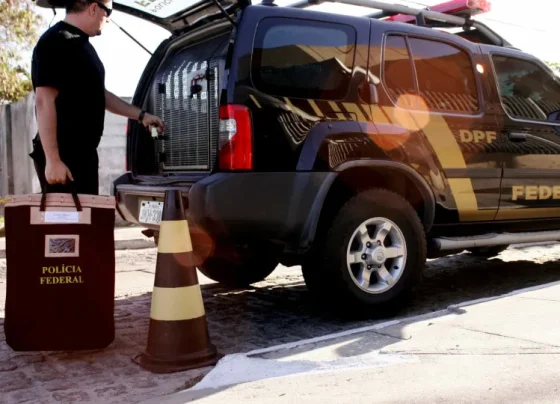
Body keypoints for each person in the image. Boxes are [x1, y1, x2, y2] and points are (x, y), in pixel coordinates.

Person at [29, 0, 166, 195]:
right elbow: (43, 101)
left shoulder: (81, 44)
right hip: (64, 157)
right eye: (108, 11)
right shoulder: (57, 41)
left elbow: (99, 94)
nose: (108, 19)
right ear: (93, 8)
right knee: (66, 215)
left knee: (87, 213)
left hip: (82, 155)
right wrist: (53, 160)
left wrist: (141, 116)